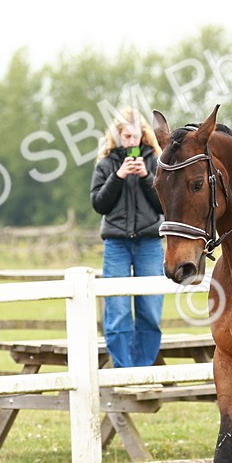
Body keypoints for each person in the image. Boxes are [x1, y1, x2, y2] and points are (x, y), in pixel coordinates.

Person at [90, 108, 165, 368]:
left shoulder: (156, 162)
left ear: (142, 135)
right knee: (118, 309)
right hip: (117, 244)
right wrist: (118, 176)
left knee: (150, 309)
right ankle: (123, 369)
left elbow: (163, 206)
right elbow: (99, 204)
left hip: (149, 243)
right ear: (118, 136)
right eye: (126, 136)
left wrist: (146, 177)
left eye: (134, 136)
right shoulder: (106, 164)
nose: (130, 142)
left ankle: (143, 369)